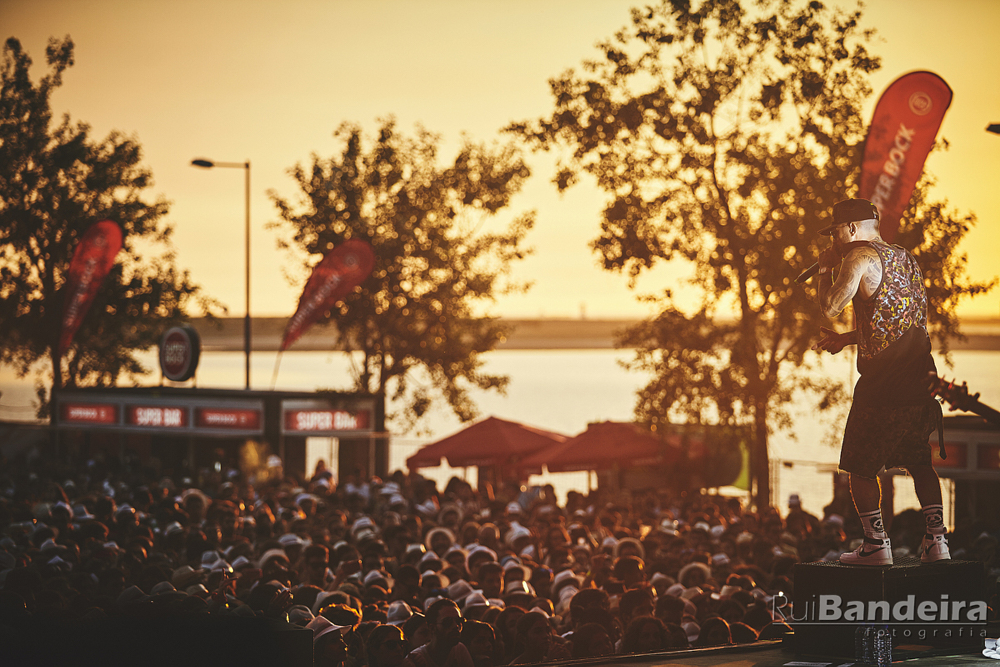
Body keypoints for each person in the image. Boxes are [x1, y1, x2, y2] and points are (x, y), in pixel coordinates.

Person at [812, 198, 949, 566]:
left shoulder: (857, 257)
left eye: (836, 232)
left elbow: (831, 306)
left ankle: (875, 544)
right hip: (919, 378)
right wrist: (847, 339)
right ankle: (937, 541)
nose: (835, 240)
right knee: (920, 463)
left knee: (858, 466)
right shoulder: (906, 258)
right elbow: (896, 325)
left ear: (851, 228)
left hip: (883, 385)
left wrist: (825, 269)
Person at [401, 598, 474, 667]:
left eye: (459, 621)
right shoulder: (416, 659)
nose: (455, 626)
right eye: (447, 622)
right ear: (432, 628)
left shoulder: (459, 649)